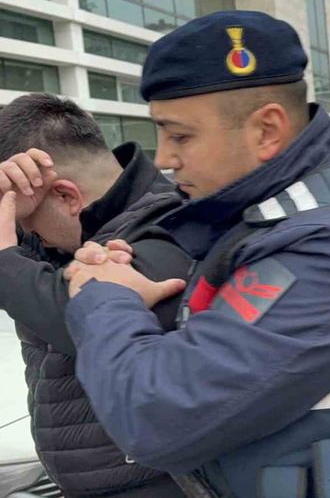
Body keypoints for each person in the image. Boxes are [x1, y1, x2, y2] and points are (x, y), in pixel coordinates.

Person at [59, 10, 330, 498]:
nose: (164, 158)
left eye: (180, 135)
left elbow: (156, 416)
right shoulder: (275, 217)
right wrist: (138, 292)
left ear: (267, 130)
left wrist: (104, 297)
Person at [0, 93, 190, 497]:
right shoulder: (64, 236)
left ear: (66, 196)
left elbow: (87, 320)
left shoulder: (171, 225)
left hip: (158, 484)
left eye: (31, 225)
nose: (31, 236)